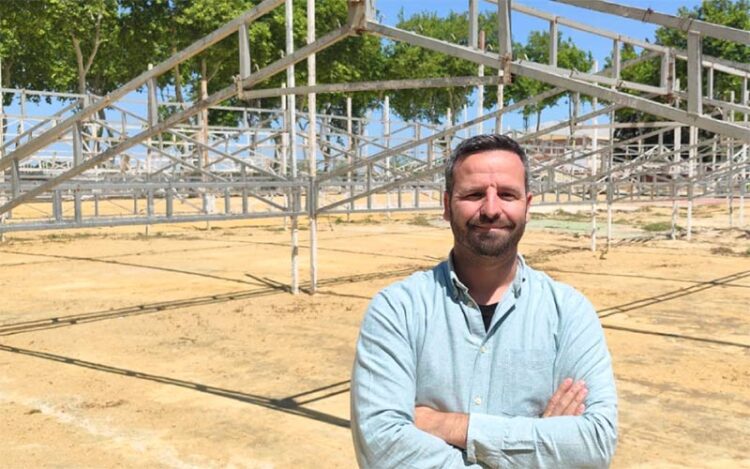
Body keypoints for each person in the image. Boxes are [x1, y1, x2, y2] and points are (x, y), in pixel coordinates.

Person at [350, 134, 617, 468]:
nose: (491, 209)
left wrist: (452, 425)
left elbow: (594, 444)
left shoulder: (569, 313)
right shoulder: (398, 310)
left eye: (507, 194)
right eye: (474, 194)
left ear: (528, 206)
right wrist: (539, 443)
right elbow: (384, 448)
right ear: (447, 206)